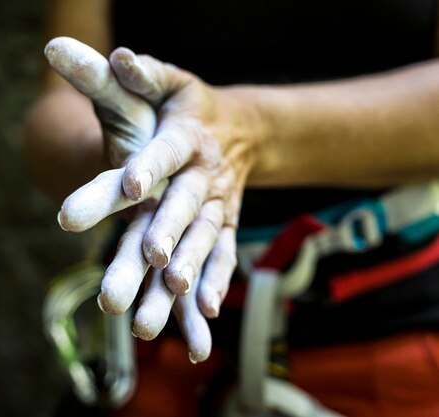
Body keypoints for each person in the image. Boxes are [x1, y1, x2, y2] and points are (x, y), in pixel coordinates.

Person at [26, 0, 439, 416]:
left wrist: (245, 131)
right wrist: (130, 161)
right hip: (152, 334)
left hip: (386, 331)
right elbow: (58, 108)